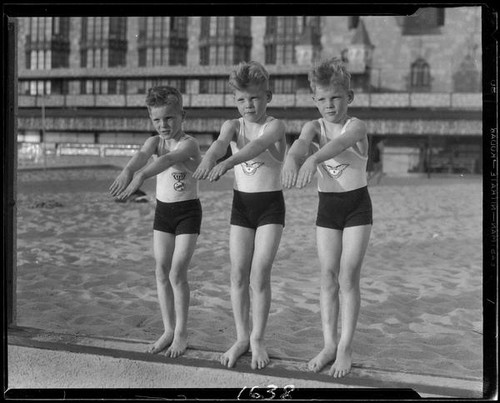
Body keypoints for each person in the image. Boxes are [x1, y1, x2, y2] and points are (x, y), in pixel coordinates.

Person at [282, 57, 372, 378]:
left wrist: (313, 159)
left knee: (348, 277)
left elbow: (339, 145)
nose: (329, 105)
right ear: (314, 100)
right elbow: (302, 143)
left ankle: (346, 347)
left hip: (357, 207)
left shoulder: (356, 126)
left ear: (349, 97)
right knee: (327, 277)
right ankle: (329, 344)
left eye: (335, 97)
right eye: (321, 99)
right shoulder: (313, 126)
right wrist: (293, 159)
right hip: (327, 208)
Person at [193, 61, 286, 370]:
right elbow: (220, 143)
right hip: (241, 207)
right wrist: (209, 156)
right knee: (237, 273)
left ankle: (258, 339)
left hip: (270, 206)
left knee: (259, 273)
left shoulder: (275, 125)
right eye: (241, 100)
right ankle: (242, 337)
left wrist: (228, 163)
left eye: (255, 98)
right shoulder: (232, 125)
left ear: (268, 96)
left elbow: (257, 146)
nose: (248, 105)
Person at [109, 86, 202, 358]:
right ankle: (168, 330)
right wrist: (128, 169)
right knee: (161, 271)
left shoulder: (189, 144)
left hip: (187, 212)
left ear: (182, 115)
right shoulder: (154, 142)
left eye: (169, 118)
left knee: (177, 272)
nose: (163, 125)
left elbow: (169, 160)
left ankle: (182, 333)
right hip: (163, 212)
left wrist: (139, 178)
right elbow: (141, 155)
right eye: (157, 119)